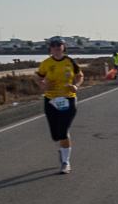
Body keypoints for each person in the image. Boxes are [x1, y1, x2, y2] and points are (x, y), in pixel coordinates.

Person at [34, 36, 84, 174]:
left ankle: (65, 162)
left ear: (64, 47)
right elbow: (38, 79)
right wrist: (43, 85)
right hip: (51, 100)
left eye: (59, 44)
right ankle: (62, 150)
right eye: (53, 45)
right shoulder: (45, 63)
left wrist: (76, 86)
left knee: (63, 131)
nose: (56, 47)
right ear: (50, 48)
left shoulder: (71, 62)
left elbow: (80, 76)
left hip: (68, 99)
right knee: (55, 135)